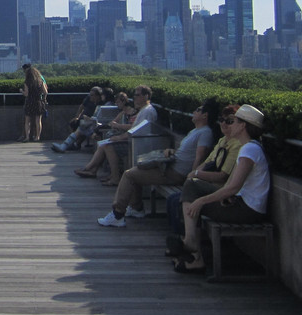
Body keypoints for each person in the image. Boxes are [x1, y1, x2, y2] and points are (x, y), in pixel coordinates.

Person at [172, 104, 271, 273]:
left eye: (233, 122)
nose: (229, 125)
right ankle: (192, 248)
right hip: (241, 204)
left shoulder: (249, 149)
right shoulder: (250, 147)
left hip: (247, 210)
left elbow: (233, 187)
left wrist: (201, 201)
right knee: (191, 188)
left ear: (243, 126)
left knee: (192, 201)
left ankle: (193, 250)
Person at [97, 101, 216, 228]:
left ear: (205, 115)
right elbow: (187, 153)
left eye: (197, 110)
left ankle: (117, 214)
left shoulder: (205, 133)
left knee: (129, 175)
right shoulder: (195, 131)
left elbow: (200, 157)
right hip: (170, 166)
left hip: (176, 173)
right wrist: (171, 151)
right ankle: (136, 208)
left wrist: (191, 179)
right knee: (135, 171)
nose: (193, 112)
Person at [51, 86, 104, 153]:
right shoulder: (88, 99)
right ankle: (70, 145)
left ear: (97, 96)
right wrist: (77, 117)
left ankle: (68, 145)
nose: (90, 96)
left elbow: (99, 119)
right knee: (76, 125)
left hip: (92, 124)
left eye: (92, 95)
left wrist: (89, 119)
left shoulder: (101, 105)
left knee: (81, 129)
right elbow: (82, 106)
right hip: (86, 121)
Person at [19, 63, 48, 142]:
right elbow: (45, 92)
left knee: (27, 120)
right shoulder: (40, 81)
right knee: (38, 121)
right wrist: (44, 99)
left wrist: (21, 91)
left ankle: (27, 137)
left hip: (29, 102)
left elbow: (26, 94)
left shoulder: (27, 82)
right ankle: (37, 137)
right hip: (38, 101)